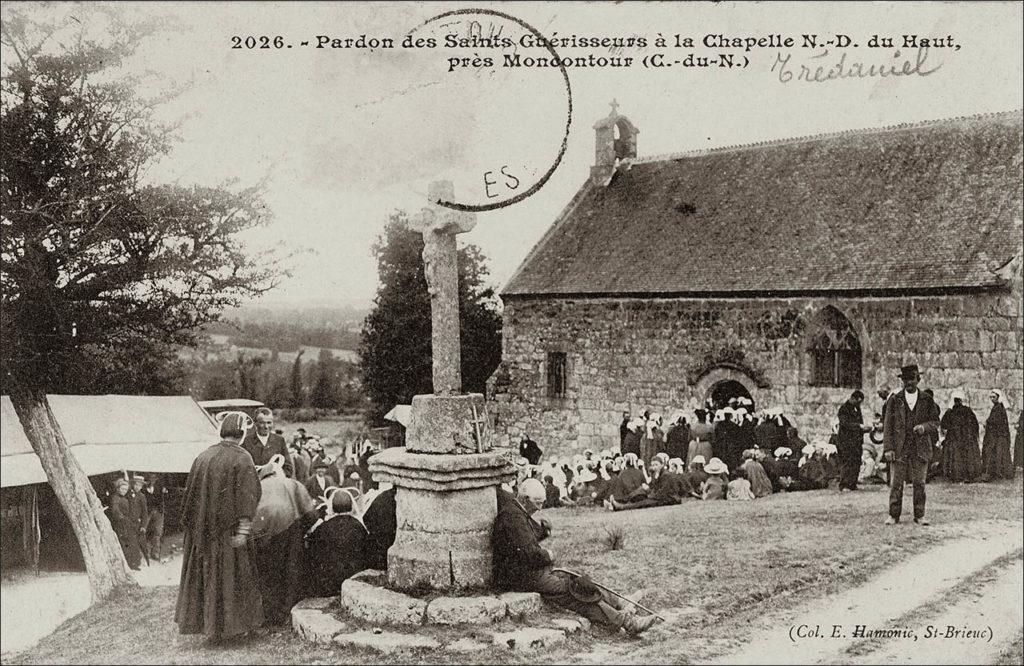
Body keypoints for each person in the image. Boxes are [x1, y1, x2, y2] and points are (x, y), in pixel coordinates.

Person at [491, 478, 659, 636]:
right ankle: (627, 622)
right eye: (537, 503)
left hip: (529, 572)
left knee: (577, 577)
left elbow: (525, 541)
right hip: (520, 577)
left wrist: (543, 532)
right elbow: (528, 553)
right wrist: (548, 555)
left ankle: (619, 602)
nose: (539, 508)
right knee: (576, 589)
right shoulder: (513, 517)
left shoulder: (517, 511)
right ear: (526, 499)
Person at [176, 412, 264, 642]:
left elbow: (188, 500)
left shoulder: (203, 456)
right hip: (228, 535)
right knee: (231, 579)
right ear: (242, 434)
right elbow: (248, 498)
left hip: (202, 536)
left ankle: (211, 630)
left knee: (208, 579)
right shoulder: (242, 458)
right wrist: (243, 531)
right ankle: (233, 629)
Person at [251, 455, 317, 625]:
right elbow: (310, 514)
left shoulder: (256, 487)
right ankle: (287, 611)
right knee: (290, 568)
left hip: (263, 531)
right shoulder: (291, 483)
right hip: (290, 526)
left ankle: (269, 615)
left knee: (268, 572)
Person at [883, 365, 940, 526]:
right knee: (896, 483)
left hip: (920, 447)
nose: (909, 382)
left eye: (912, 379)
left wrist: (924, 427)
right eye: (906, 379)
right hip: (900, 448)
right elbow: (888, 425)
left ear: (918, 380)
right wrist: (888, 448)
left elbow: (935, 421)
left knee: (920, 483)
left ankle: (919, 515)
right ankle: (894, 515)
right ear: (902, 381)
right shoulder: (895, 400)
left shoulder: (927, 400)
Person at [305, 490, 368, 596]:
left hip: (330, 582)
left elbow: (312, 549)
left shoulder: (324, 527)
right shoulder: (358, 526)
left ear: (333, 507)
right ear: (351, 506)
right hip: (353, 578)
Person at [940, 390, 981, 483]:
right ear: (961, 400)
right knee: (967, 456)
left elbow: (944, 424)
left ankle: (956, 476)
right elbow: (975, 424)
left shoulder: (950, 412)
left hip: (954, 438)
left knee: (956, 457)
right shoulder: (968, 410)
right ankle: (968, 476)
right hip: (967, 438)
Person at [241, 407, 293, 478]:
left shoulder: (279, 440)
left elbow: (288, 468)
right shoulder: (246, 442)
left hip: (274, 484)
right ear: (255, 423)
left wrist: (278, 474)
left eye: (269, 423)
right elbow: (242, 469)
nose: (266, 426)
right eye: (262, 423)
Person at [837, 390, 872, 491]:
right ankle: (844, 485)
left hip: (856, 441)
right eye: (857, 402)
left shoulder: (857, 408)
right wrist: (859, 426)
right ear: (852, 398)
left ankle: (852, 483)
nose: (859, 404)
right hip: (845, 441)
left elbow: (859, 423)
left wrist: (864, 429)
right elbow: (845, 424)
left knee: (856, 462)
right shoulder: (843, 409)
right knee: (847, 463)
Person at [109, 478, 143, 570]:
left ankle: (133, 564)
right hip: (120, 524)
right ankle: (127, 565)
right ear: (118, 489)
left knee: (131, 543)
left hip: (126, 523)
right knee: (124, 544)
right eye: (122, 489)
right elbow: (115, 510)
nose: (124, 491)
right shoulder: (115, 498)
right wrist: (123, 518)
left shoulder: (123, 497)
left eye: (125, 489)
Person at [981, 389, 1014, 481]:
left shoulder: (998, 407)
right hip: (998, 434)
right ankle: (999, 472)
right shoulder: (997, 407)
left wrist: (987, 423)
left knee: (998, 453)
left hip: (998, 435)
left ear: (998, 397)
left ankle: (998, 473)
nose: (992, 399)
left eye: (994, 397)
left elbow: (995, 421)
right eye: (991, 397)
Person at [362, 486, 397, 570]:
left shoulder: (384, 495)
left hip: (378, 546)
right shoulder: (388, 497)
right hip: (386, 545)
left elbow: (366, 518)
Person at [141, 475, 167, 562]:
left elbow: (164, 497)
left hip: (158, 512)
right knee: (145, 531)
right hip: (147, 512)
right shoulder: (143, 489)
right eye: (150, 479)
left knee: (157, 532)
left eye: (154, 479)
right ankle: (146, 552)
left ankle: (155, 553)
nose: (152, 481)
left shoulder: (159, 487)